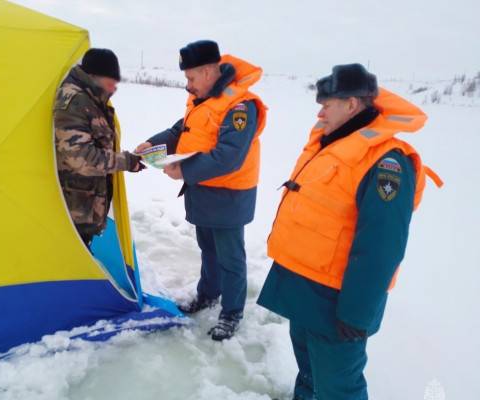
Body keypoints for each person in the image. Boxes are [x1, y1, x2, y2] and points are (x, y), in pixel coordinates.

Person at [257, 64, 442, 399]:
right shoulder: (332, 144)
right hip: (303, 287)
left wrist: (356, 314)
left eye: (327, 103)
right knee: (310, 371)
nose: (320, 110)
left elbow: (382, 246)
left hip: (337, 301)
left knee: (339, 387)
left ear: (352, 105)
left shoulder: (387, 162)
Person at [135, 40, 267, 340]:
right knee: (208, 249)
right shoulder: (204, 99)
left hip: (229, 196)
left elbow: (229, 156)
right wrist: (152, 144)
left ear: (209, 72)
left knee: (231, 259)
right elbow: (180, 131)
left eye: (191, 78)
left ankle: (231, 313)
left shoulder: (240, 107)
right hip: (203, 192)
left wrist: (184, 171)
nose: (187, 85)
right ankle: (208, 295)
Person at [54, 48, 144, 248]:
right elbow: (81, 159)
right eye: (110, 83)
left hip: (85, 206)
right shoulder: (74, 101)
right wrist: (126, 161)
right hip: (73, 209)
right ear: (93, 76)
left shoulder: (91, 98)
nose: (113, 89)